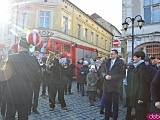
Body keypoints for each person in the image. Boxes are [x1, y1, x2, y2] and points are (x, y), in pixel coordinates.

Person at [2, 37, 41, 120]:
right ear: (28, 48)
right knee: (23, 117)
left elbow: (5, 76)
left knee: (9, 116)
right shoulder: (34, 60)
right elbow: (38, 78)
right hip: (26, 94)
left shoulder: (12, 57)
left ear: (19, 46)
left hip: (11, 94)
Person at [101, 49, 125, 120]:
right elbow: (101, 70)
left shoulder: (120, 62)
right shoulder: (106, 61)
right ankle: (106, 117)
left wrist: (112, 77)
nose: (110, 55)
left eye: (112, 54)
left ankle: (115, 118)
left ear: (116, 55)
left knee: (115, 105)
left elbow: (122, 74)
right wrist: (105, 76)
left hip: (115, 86)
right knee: (107, 104)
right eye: (110, 53)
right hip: (106, 86)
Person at [127, 51, 149, 120]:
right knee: (137, 113)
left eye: (135, 57)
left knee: (140, 115)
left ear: (139, 58)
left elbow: (144, 84)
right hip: (136, 94)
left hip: (140, 96)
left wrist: (141, 98)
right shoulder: (136, 66)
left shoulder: (142, 68)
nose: (133, 58)